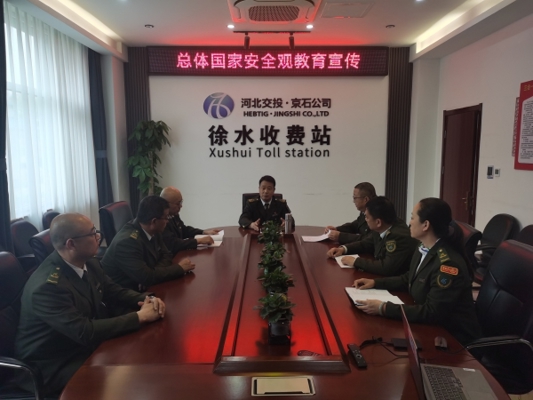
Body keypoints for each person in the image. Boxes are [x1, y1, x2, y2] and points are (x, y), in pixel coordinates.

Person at [14, 213, 165, 395]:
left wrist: (148, 299)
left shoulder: (89, 262)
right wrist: (140, 317)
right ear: (71, 244)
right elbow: (84, 331)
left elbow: (113, 291)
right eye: (93, 233)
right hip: (52, 364)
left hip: (78, 346)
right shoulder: (47, 287)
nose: (98, 236)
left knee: (140, 358)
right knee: (125, 382)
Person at [353, 198, 482, 346]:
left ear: (425, 225)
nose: (410, 223)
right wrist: (375, 283)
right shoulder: (423, 247)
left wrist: (384, 308)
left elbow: (432, 312)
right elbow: (409, 278)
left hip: (453, 340)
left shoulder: (447, 265)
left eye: (413, 217)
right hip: (430, 327)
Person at [101, 195, 195, 291]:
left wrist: (153, 272)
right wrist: (179, 268)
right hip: (124, 293)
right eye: (166, 217)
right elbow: (147, 277)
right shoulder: (126, 243)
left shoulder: (153, 229)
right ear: (154, 221)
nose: (168, 221)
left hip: (143, 286)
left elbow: (166, 254)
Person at [327, 196, 418, 276]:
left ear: (378, 222)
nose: (365, 220)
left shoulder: (398, 236)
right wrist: (343, 249)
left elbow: (386, 267)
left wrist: (356, 261)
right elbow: (366, 243)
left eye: (367, 217)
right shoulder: (384, 225)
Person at [160, 186, 220, 255]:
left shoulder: (174, 214)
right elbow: (172, 243)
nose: (181, 206)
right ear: (166, 204)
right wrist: (198, 241)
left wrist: (203, 232)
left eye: (181, 202)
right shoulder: (161, 220)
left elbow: (184, 230)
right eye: (178, 203)